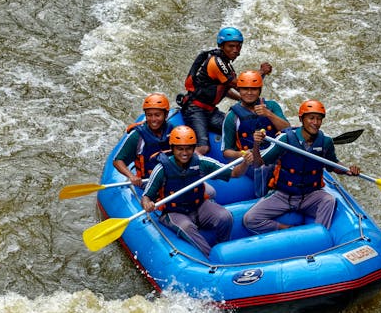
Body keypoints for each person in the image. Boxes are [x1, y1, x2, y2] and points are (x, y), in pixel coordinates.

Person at [244, 100, 359, 233]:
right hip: (283, 195)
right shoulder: (285, 139)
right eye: (311, 118)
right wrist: (257, 144)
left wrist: (347, 170)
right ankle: (287, 229)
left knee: (329, 200)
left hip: (310, 195)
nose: (315, 123)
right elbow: (258, 163)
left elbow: (333, 164)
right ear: (301, 119)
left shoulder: (325, 142)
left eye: (319, 119)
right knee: (250, 218)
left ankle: (317, 235)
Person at [142, 125, 252, 257]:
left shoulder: (200, 161)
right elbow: (146, 197)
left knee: (225, 217)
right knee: (186, 227)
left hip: (198, 205)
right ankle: (210, 257)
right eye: (180, 149)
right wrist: (147, 204)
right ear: (172, 148)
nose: (184, 153)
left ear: (194, 148)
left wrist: (245, 163)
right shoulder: (161, 169)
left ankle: (222, 248)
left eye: (188, 148)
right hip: (173, 212)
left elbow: (234, 173)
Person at [178, 26, 272, 156]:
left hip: (210, 111)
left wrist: (241, 99)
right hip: (195, 110)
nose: (235, 50)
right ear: (222, 46)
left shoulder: (225, 63)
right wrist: (261, 72)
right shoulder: (216, 62)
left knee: (236, 128)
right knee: (203, 148)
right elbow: (240, 85)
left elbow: (225, 89)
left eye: (238, 47)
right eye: (231, 46)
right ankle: (186, 171)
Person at [220, 69, 289, 197]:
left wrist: (269, 114)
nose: (249, 93)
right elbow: (226, 152)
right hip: (252, 161)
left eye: (254, 89)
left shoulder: (271, 106)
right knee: (262, 168)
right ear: (239, 90)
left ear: (260, 90)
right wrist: (243, 155)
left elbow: (287, 129)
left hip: (275, 154)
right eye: (245, 89)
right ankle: (264, 198)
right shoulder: (232, 117)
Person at [112, 92, 174, 187]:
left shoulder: (172, 130)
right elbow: (117, 161)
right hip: (148, 182)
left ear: (166, 115)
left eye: (157, 115)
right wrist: (131, 176)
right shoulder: (137, 136)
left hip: (172, 176)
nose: (153, 119)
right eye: (149, 115)